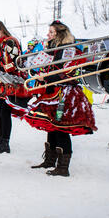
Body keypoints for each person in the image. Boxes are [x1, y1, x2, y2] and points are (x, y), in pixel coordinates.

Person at [24, 21, 97, 176]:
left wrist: (47, 77)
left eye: (51, 32)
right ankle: (50, 160)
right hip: (51, 90)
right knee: (50, 125)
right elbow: (43, 66)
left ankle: (63, 167)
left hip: (64, 92)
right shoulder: (52, 49)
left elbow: (68, 72)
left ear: (58, 33)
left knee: (61, 128)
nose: (47, 35)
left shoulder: (68, 49)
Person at [0, 21, 30, 154]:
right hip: (4, 82)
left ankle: (5, 142)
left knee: (5, 111)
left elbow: (17, 63)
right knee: (2, 111)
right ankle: (1, 140)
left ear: (2, 30)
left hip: (13, 81)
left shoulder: (10, 42)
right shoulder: (0, 44)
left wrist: (1, 68)